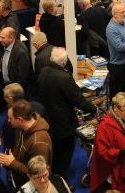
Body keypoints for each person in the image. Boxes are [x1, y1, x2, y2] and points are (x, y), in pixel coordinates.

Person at [38, 47, 97, 183]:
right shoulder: (64, 78)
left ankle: (54, 176)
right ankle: (60, 180)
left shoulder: (43, 72)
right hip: (63, 122)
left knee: (55, 149)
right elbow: (79, 101)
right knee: (65, 151)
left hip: (47, 118)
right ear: (64, 62)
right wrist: (93, 108)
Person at [0, 100, 53, 189]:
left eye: (10, 118)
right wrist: (10, 161)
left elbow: (37, 173)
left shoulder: (38, 144)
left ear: (20, 119)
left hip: (33, 185)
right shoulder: (21, 128)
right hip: (21, 178)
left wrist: (13, 163)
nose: (8, 120)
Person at [0, 26, 32, 97]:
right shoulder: (7, 45)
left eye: (3, 38)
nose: (0, 40)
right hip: (8, 86)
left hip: (16, 91)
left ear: (11, 38)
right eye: (0, 37)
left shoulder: (20, 52)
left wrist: (15, 91)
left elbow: (23, 76)